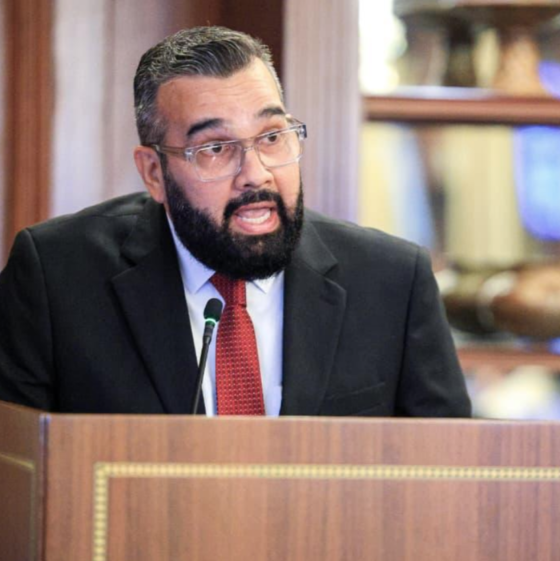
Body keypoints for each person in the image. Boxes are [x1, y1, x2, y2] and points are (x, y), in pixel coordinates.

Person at [0, 26, 470, 417]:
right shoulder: (55, 278)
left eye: (272, 137)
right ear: (154, 172)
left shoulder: (392, 282)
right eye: (215, 148)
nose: (256, 174)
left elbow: (448, 474)